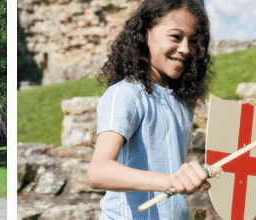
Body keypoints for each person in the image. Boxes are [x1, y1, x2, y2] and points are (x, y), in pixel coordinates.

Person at [86, 0, 214, 219]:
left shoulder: (182, 102)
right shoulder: (125, 94)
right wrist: (169, 180)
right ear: (145, 34)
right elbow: (98, 172)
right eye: (175, 37)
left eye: (193, 41)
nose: (185, 49)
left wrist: (188, 177)